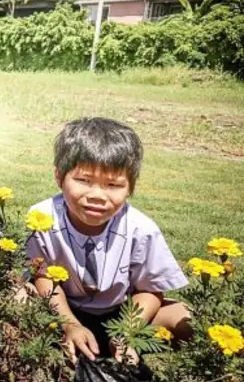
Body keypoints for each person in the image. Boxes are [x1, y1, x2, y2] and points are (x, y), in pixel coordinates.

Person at [25, 117, 191, 364]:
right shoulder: (41, 218)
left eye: (113, 185)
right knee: (18, 297)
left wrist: (126, 332)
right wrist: (69, 324)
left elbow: (150, 290)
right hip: (60, 311)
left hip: (121, 314)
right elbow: (42, 276)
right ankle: (35, 363)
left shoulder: (141, 229)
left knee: (185, 317)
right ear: (59, 176)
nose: (97, 195)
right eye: (84, 180)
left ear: (130, 187)